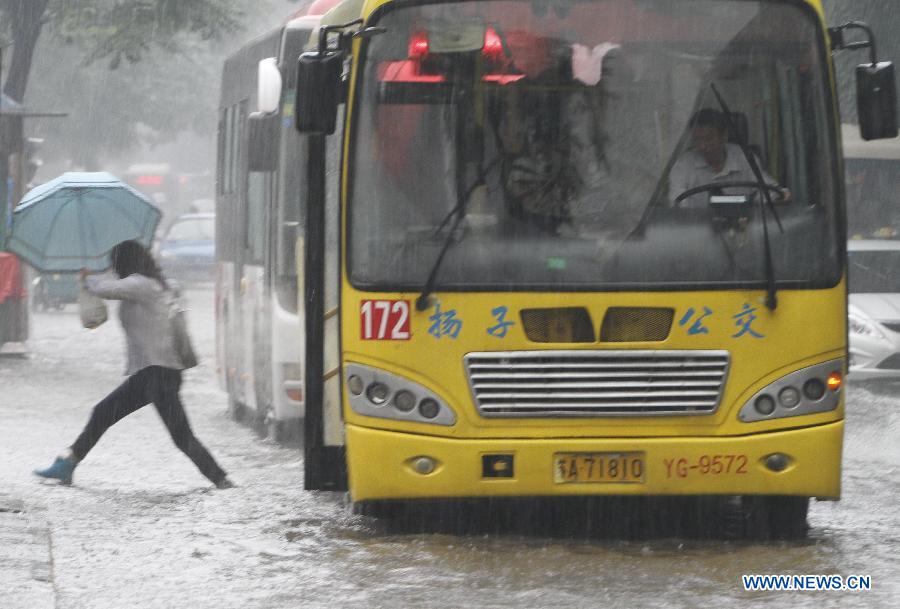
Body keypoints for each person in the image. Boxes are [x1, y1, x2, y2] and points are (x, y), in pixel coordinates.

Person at [33, 240, 232, 489]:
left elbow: (108, 289)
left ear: (124, 263)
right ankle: (68, 463)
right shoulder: (154, 285)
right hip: (157, 373)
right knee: (104, 413)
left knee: (179, 435)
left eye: (115, 265)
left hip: (156, 374)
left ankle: (221, 479)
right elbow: (113, 287)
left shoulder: (142, 285)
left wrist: (88, 279)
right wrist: (93, 278)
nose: (114, 269)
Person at [668, 108, 789, 208]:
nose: (702, 146)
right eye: (696, 140)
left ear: (724, 136)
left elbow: (768, 192)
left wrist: (778, 196)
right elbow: (677, 203)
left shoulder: (745, 158)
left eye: (708, 139)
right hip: (697, 230)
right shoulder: (683, 166)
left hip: (744, 228)